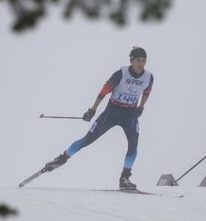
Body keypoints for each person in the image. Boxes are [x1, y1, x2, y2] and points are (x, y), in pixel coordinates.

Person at [44, 47, 154, 190]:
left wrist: (141, 107)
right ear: (131, 61)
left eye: (144, 60)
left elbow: (147, 92)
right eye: (138, 60)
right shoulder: (121, 73)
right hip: (112, 112)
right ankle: (61, 158)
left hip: (130, 114)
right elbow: (104, 91)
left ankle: (125, 178)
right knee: (88, 139)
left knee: (133, 145)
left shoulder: (148, 77)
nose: (141, 63)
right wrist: (92, 110)